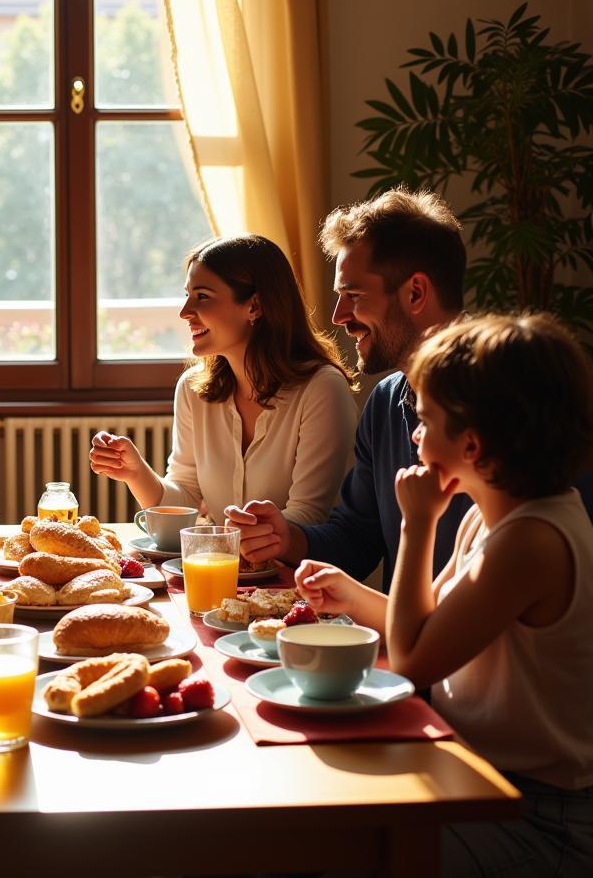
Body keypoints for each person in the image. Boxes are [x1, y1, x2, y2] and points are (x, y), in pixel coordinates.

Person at [293, 313, 593, 876]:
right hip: (478, 775)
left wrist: (418, 523)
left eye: (425, 421)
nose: (413, 435)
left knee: (333, 850)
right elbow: (427, 621)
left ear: (474, 445)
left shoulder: (531, 542)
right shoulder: (493, 518)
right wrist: (351, 595)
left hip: (538, 816)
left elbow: (412, 658)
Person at [225, 189, 475, 589]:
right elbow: (358, 539)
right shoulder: (385, 402)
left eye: (354, 296)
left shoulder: (505, 400)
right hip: (404, 643)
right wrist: (287, 538)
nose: (339, 317)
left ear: (415, 293)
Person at [89, 235, 357, 551]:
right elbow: (186, 498)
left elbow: (308, 517)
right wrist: (136, 473)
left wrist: (221, 544)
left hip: (301, 584)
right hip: (224, 575)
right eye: (187, 295)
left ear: (254, 306)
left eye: (202, 297)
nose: (185, 311)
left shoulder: (322, 389)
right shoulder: (192, 390)